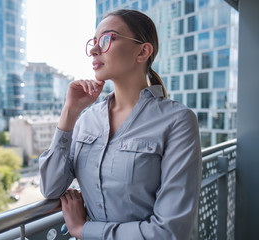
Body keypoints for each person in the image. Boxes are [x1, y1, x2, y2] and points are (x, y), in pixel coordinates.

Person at [39, 9, 202, 240]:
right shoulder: (87, 119)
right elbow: (51, 189)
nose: (94, 50)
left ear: (142, 51)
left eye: (107, 39)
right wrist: (70, 112)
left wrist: (84, 230)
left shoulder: (178, 121)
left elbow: (169, 232)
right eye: (94, 42)